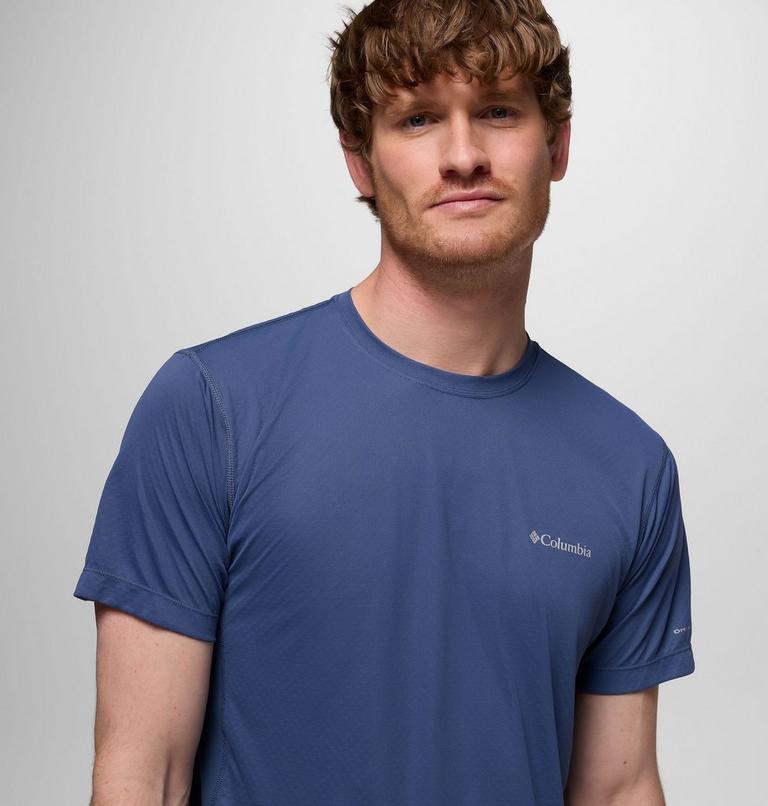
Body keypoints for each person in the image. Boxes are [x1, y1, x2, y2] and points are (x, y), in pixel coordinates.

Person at [73, 1, 696, 803]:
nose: (463, 156)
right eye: (419, 120)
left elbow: (618, 789)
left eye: (499, 112)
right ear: (361, 164)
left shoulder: (630, 466)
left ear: (559, 145)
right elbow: (142, 774)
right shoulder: (211, 409)